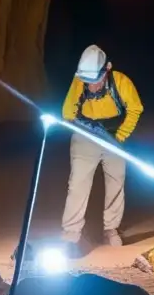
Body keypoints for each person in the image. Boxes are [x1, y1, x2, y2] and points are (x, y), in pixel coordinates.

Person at [60, 45, 143, 247]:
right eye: (87, 82)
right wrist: (86, 128)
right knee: (78, 184)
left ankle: (110, 228)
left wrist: (121, 136)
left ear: (107, 69)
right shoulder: (80, 80)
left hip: (114, 138)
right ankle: (71, 233)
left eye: (95, 81)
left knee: (116, 182)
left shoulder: (121, 82)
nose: (91, 87)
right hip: (85, 137)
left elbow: (135, 108)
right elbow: (67, 113)